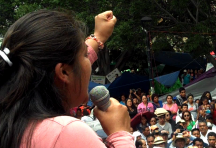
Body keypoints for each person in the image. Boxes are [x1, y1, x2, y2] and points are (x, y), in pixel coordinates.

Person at [0, 10, 134, 147]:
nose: (89, 58)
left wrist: (98, 37)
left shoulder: (10, 124)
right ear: (64, 72)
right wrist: (120, 134)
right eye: (85, 55)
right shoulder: (65, 133)